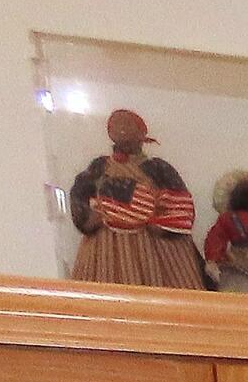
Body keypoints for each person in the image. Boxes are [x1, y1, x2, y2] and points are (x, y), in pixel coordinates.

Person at [68, 109, 206, 290]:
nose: (122, 128)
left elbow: (181, 203)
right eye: (117, 124)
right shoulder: (99, 166)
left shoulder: (157, 168)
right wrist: (88, 218)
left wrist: (163, 224)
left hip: (156, 249)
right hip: (107, 250)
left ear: (142, 132)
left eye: (128, 124)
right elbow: (80, 194)